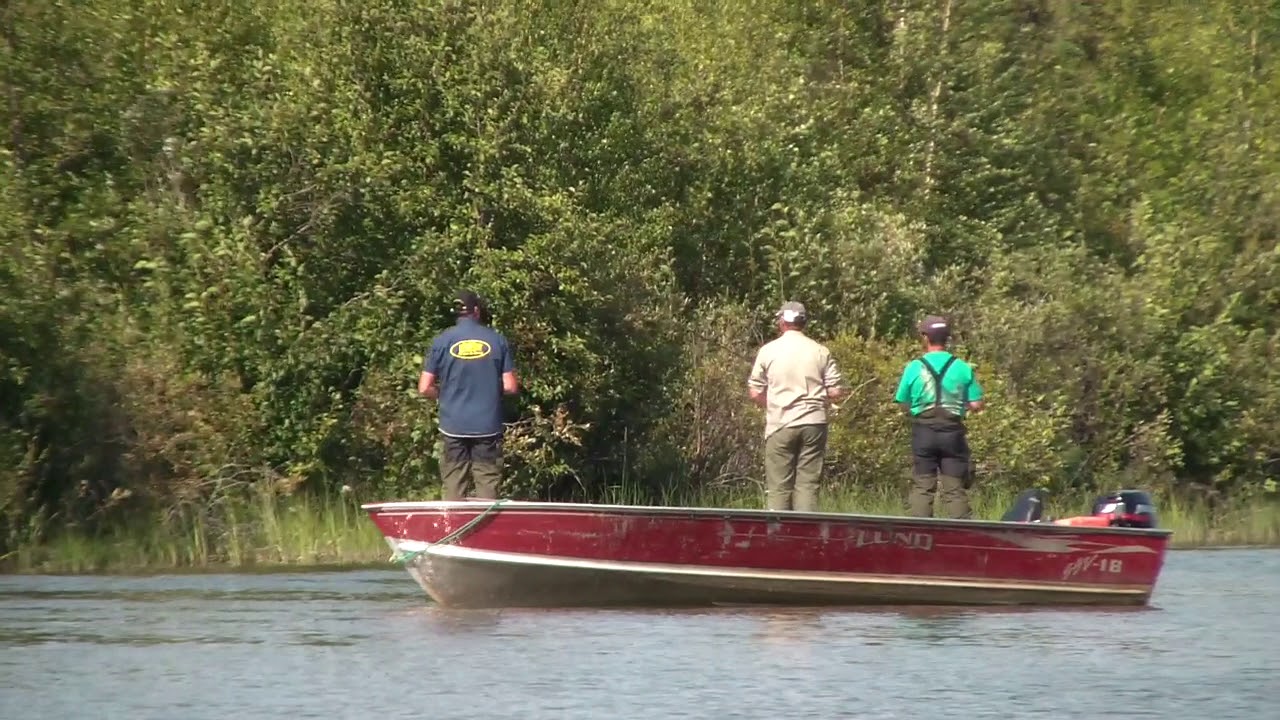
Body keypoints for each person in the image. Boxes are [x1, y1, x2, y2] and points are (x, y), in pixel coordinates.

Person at [747, 301, 848, 512]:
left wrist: (773, 405)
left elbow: (755, 392)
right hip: (814, 423)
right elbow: (836, 392)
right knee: (808, 485)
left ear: (782, 321)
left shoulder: (768, 351)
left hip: (780, 424)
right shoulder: (821, 351)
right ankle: (807, 536)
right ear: (803, 322)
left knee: (779, 487)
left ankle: (779, 536)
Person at [418, 290, 519, 500]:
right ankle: (486, 529)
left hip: (453, 425)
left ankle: (455, 530)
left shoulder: (441, 341)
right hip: (487, 426)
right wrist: (489, 389)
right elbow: (510, 386)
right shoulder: (497, 340)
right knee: (487, 483)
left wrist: (442, 395)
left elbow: (424, 387)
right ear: (476, 310)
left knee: (454, 484)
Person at [892, 314, 985, 519]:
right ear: (947, 338)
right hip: (952, 432)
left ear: (925, 337)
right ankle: (962, 535)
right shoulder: (962, 367)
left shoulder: (914, 367)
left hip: (923, 430)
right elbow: (977, 404)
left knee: (923, 486)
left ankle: (920, 535)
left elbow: (902, 402)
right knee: (954, 489)